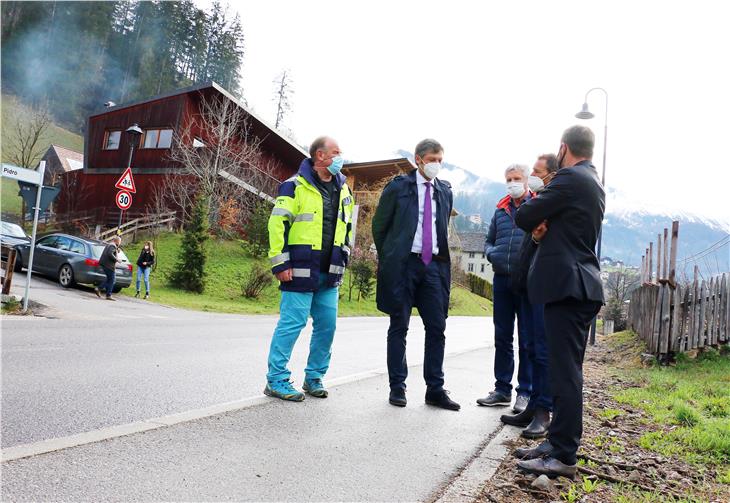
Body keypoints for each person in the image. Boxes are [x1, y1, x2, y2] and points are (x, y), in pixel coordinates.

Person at [513, 126, 605, 479]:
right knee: (561, 369)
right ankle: (554, 444)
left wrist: (538, 216)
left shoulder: (569, 178)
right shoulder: (591, 179)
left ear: (563, 148)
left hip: (569, 288)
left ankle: (564, 453)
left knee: (565, 373)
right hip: (576, 286)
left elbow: (523, 216)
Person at [264, 136, 355, 402]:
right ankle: (276, 379)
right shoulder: (294, 186)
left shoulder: (344, 190)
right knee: (292, 324)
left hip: (331, 271)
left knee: (327, 326)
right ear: (320, 156)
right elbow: (276, 225)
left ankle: (314, 377)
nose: (341, 157)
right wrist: (281, 262)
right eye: (336, 152)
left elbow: (347, 228)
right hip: (299, 269)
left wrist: (345, 256)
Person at [372, 138, 460, 411]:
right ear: (418, 159)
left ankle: (435, 389)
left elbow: (441, 227)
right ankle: (397, 386)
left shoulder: (445, 191)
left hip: (434, 266)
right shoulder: (399, 188)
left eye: (440, 160)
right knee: (399, 325)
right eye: (432, 159)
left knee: (437, 328)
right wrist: (390, 256)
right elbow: (379, 226)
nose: (436, 165)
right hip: (404, 265)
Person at [500, 154, 559, 439]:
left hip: (546, 282)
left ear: (550, 175)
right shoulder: (543, 199)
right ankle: (533, 404)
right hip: (528, 281)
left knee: (543, 350)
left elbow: (526, 219)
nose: (533, 177)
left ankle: (544, 410)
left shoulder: (550, 200)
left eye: (537, 172)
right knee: (532, 346)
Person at [477, 164, 533, 414]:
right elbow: (488, 240)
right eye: (509, 179)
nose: (513, 183)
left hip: (527, 282)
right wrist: (492, 254)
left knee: (527, 339)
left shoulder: (536, 206)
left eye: (517, 178)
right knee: (502, 337)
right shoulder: (500, 210)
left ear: (527, 180)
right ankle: (502, 390)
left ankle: (525, 392)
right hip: (501, 280)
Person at [95, 235, 121, 301]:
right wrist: (117, 259)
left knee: (110, 280)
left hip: (105, 264)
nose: (120, 243)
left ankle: (101, 289)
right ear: (117, 241)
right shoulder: (112, 245)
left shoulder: (110, 245)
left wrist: (117, 250)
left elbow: (111, 251)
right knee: (112, 280)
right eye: (120, 241)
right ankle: (107, 294)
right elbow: (110, 253)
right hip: (109, 265)